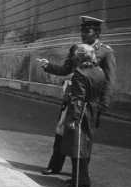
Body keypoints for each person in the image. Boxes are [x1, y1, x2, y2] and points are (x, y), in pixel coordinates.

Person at [39, 16, 116, 176]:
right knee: (61, 131)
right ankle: (55, 166)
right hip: (72, 98)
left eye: (87, 31)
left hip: (89, 103)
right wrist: (48, 66)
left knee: (84, 139)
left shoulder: (106, 52)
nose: (83, 34)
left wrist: (103, 105)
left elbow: (109, 81)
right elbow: (66, 69)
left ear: (97, 32)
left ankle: (79, 175)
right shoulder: (76, 48)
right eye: (82, 30)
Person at [61, 44, 105, 187]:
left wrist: (73, 119)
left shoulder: (80, 72)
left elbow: (78, 98)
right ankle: (78, 178)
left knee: (77, 147)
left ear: (79, 57)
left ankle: (81, 181)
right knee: (85, 146)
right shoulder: (99, 71)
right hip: (93, 109)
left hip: (82, 112)